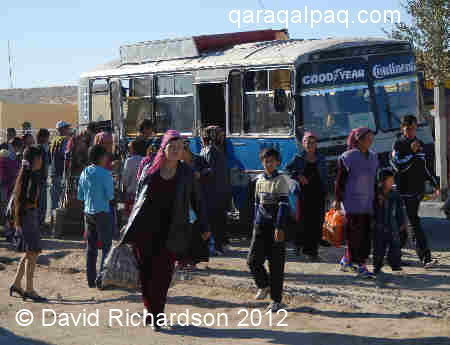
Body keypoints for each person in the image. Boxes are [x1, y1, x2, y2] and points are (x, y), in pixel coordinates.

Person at [119, 130, 209, 331]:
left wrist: (204, 225)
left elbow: (198, 200)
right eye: (172, 147)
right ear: (164, 148)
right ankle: (150, 310)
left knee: (163, 275)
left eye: (180, 148)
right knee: (145, 274)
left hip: (172, 232)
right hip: (145, 230)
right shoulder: (150, 169)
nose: (176, 151)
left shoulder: (186, 173)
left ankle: (157, 314)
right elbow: (138, 201)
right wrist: (129, 222)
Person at [391, 115, 439, 268]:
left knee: (407, 224)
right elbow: (398, 166)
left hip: (418, 190)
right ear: (402, 128)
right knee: (412, 223)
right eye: (408, 128)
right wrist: (411, 153)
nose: (411, 131)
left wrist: (435, 183)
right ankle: (425, 257)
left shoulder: (420, 144)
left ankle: (393, 255)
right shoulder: (398, 145)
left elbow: (424, 167)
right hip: (404, 191)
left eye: (413, 128)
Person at [248, 147, 289, 312]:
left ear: (277, 162)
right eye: (265, 160)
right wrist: (254, 224)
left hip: (275, 229)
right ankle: (264, 285)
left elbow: (283, 206)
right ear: (262, 162)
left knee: (276, 265)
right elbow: (256, 205)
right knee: (252, 260)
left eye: (272, 160)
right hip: (260, 227)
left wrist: (279, 227)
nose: (268, 163)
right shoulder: (259, 181)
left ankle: (276, 300)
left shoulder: (281, 181)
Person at [335, 127, 378, 277]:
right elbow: (340, 181)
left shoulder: (373, 157)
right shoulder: (347, 157)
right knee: (355, 236)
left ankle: (346, 260)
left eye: (371, 139)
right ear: (358, 140)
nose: (370, 142)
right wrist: (337, 200)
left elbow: (374, 180)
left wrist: (378, 196)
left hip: (367, 202)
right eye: (367, 139)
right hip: (352, 202)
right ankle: (360, 265)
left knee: (365, 234)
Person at [9, 145, 47, 302]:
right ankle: (29, 289)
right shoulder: (32, 176)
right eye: (40, 158)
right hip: (28, 217)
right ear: (35, 159)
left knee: (29, 253)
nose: (42, 161)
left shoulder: (24, 175)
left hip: (25, 217)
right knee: (33, 253)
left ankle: (17, 284)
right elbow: (30, 200)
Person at [286, 131, 329, 261]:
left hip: (318, 193)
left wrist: (327, 191)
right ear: (303, 144)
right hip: (303, 194)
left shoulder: (321, 158)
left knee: (317, 222)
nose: (310, 144)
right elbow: (287, 170)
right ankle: (301, 246)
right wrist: (298, 176)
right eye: (307, 142)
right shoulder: (298, 157)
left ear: (316, 144)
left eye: (312, 142)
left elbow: (326, 176)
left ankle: (312, 251)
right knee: (303, 221)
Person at [77, 145, 114, 289]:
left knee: (91, 247)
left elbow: (80, 195)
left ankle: (91, 279)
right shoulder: (106, 174)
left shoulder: (84, 172)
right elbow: (109, 196)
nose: (107, 158)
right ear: (100, 157)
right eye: (105, 156)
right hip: (102, 212)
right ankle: (102, 278)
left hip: (88, 212)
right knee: (106, 247)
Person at [200, 126, 232, 255]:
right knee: (217, 220)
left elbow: (210, 171)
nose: (222, 137)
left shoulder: (211, 150)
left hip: (214, 191)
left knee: (216, 220)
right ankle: (220, 245)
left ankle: (218, 246)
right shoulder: (212, 151)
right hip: (215, 191)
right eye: (220, 135)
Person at [373, 168, 407, 287]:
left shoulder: (394, 193)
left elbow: (399, 210)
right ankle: (377, 267)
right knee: (379, 247)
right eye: (390, 180)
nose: (392, 182)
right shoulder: (375, 193)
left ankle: (395, 264)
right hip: (378, 225)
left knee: (395, 244)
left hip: (392, 224)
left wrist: (402, 223)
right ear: (382, 181)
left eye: (392, 179)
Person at [49, 121, 71, 222]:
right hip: (61, 172)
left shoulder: (54, 141)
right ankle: (59, 223)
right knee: (62, 199)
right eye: (67, 128)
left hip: (53, 172)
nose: (68, 129)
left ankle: (53, 220)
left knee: (54, 199)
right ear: (62, 129)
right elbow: (65, 155)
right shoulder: (65, 140)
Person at [121, 139, 146, 218]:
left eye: (129, 147)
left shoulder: (130, 161)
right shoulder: (145, 160)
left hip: (131, 195)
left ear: (133, 148)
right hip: (142, 194)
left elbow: (125, 180)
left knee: (129, 219)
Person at [36, 129, 51, 230]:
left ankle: (40, 223)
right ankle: (39, 223)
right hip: (40, 179)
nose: (48, 139)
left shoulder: (43, 149)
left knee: (42, 203)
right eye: (46, 137)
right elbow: (43, 165)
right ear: (42, 137)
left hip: (42, 179)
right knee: (41, 203)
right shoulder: (40, 149)